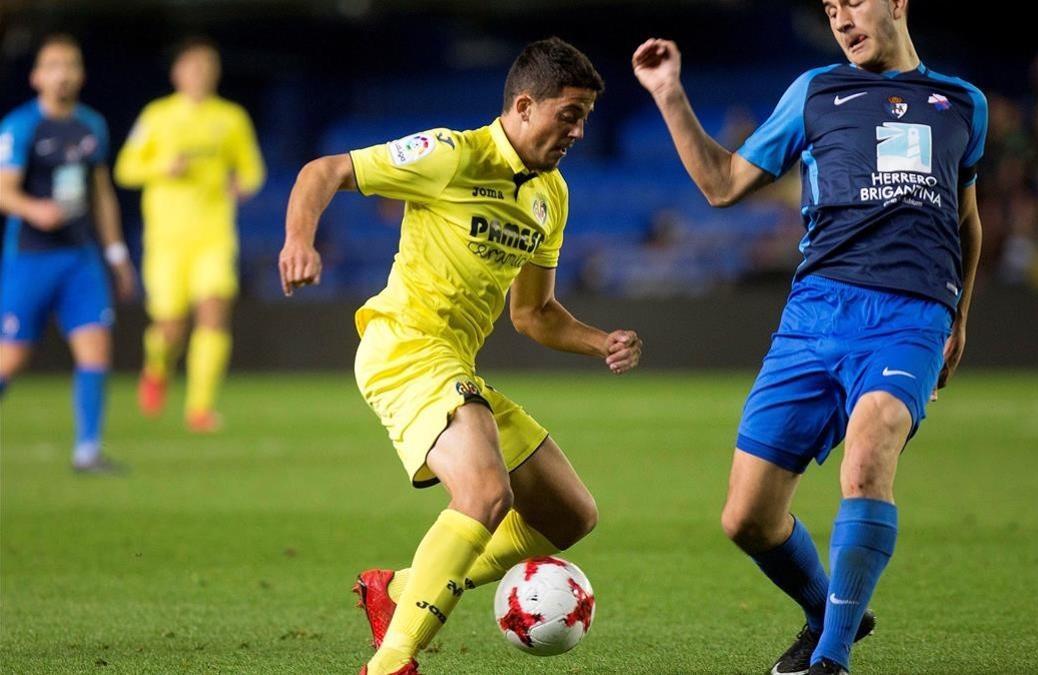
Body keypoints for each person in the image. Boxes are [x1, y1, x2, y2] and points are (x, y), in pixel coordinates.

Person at [633, 0, 987, 671]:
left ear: (898, 4)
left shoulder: (964, 103)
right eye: (830, 10)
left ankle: (831, 658)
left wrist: (960, 314)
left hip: (911, 311)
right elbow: (722, 184)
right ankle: (834, 612)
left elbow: (967, 218)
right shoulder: (815, 91)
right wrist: (670, 93)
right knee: (747, 517)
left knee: (869, 450)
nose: (842, 19)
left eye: (854, 2)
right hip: (815, 314)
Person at [278, 37, 642, 675]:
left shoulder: (550, 197)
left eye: (585, 117)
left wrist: (599, 340)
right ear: (525, 105)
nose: (579, 132)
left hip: (454, 367)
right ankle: (392, 662)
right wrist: (298, 242)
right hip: (405, 346)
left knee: (569, 514)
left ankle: (398, 590)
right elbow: (323, 171)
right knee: (483, 493)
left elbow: (533, 314)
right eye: (570, 114)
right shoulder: (450, 155)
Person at [0, 34, 137, 473]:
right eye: (54, 65)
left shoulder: (91, 125)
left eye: (71, 64)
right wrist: (33, 208)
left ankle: (87, 450)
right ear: (37, 76)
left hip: (80, 258)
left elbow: (102, 195)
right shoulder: (21, 126)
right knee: (13, 356)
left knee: (96, 348)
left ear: (81, 74)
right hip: (31, 256)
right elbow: (4, 192)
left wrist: (116, 254)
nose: (63, 72)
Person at [114, 36, 264, 432]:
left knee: (214, 312)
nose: (201, 74)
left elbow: (252, 169)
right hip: (166, 239)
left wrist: (243, 185)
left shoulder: (231, 118)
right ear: (177, 73)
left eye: (207, 67)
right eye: (193, 67)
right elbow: (125, 168)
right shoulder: (157, 116)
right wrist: (163, 167)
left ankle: (200, 407)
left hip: (214, 234)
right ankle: (157, 367)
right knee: (170, 325)